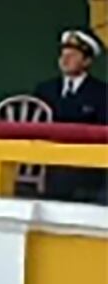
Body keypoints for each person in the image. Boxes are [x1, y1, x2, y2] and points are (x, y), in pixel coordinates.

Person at [36, 30, 108, 203]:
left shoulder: (101, 92)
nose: (65, 59)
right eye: (63, 54)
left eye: (73, 55)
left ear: (87, 61)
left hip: (85, 174)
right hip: (49, 168)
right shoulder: (45, 89)